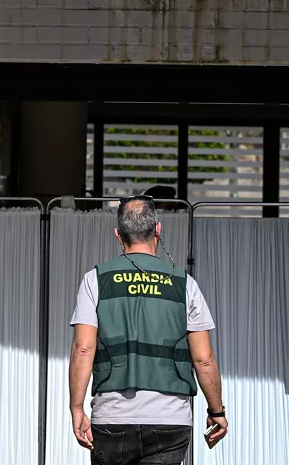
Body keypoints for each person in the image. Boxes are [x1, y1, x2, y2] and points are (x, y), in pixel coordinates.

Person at [68, 195, 228, 465]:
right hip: (170, 420)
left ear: (119, 235)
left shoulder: (95, 280)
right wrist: (217, 410)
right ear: (158, 229)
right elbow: (204, 358)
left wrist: (76, 407)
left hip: (112, 417)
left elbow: (83, 348)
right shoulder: (184, 284)